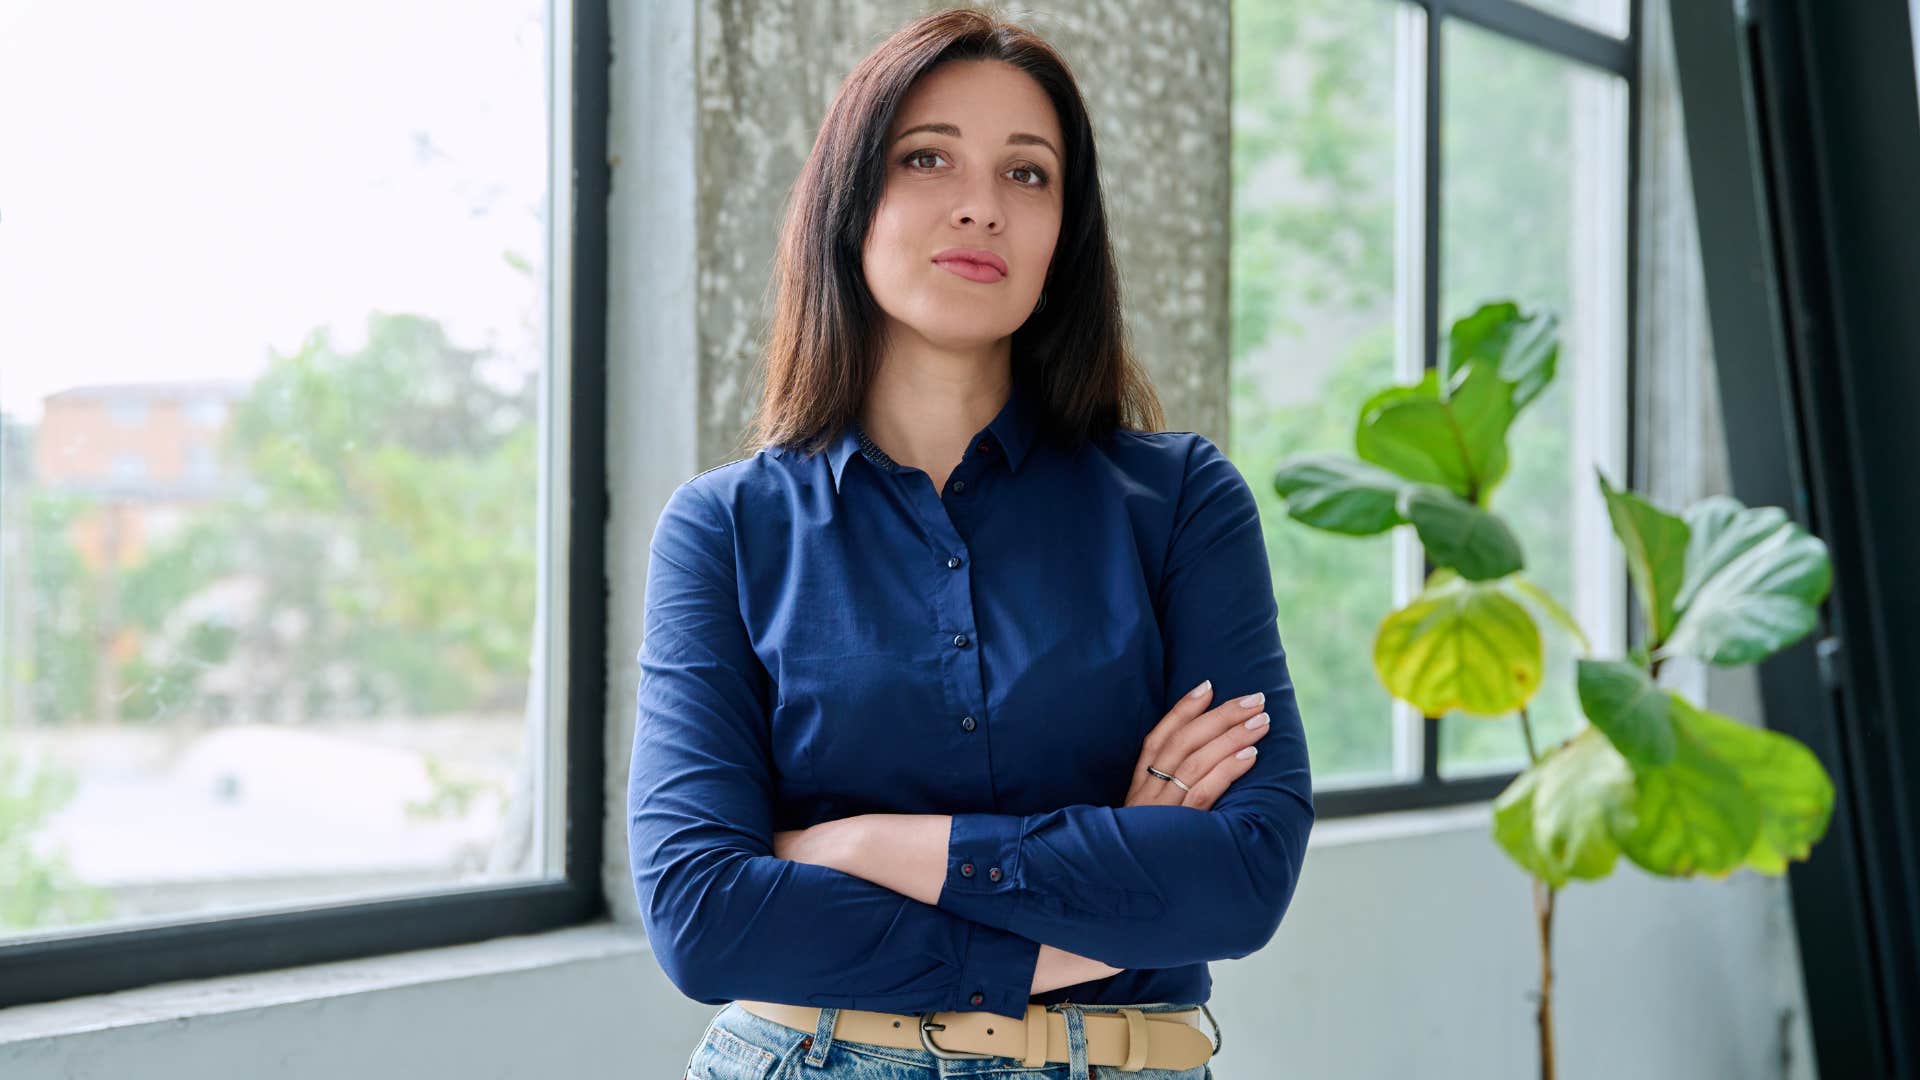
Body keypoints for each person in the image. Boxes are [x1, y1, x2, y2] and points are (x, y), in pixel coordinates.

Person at [629, 8, 1314, 1079]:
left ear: (1064, 229)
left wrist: (860, 845)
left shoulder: (1180, 500)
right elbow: (703, 918)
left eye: (1028, 174)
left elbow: (1242, 877)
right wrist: (1108, 879)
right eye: (927, 157)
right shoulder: (724, 529)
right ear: (850, 200)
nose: (981, 207)